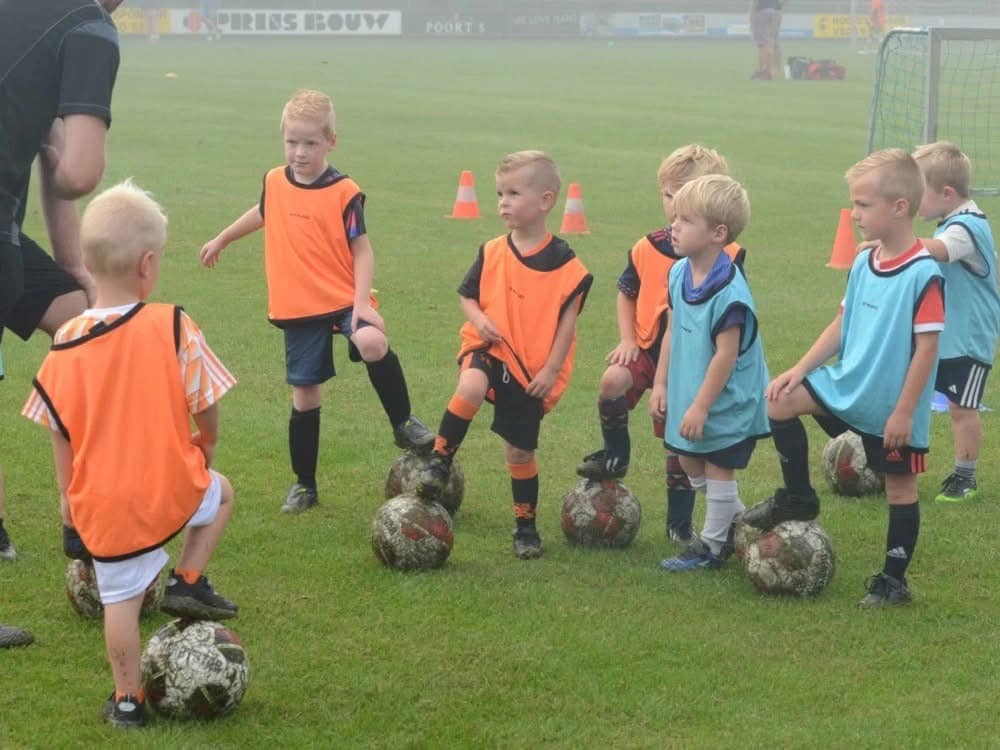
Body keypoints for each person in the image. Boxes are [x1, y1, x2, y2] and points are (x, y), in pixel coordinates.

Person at [23, 180, 239, 727]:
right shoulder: (172, 325)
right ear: (148, 264)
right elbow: (206, 403)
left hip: (107, 505)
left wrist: (67, 500)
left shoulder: (65, 342)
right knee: (223, 495)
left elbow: (59, 430)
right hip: (173, 487)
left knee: (119, 606)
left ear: (89, 267)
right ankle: (188, 580)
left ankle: (127, 700)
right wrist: (206, 444)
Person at [201, 89, 433, 513]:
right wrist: (222, 238)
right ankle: (304, 485)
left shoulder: (344, 192)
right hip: (298, 303)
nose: (300, 152)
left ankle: (403, 424)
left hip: (345, 297)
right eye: (292, 142)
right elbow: (263, 211)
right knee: (305, 394)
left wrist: (362, 304)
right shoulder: (275, 180)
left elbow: (361, 249)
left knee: (372, 343)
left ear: (331, 142)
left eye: (310, 143)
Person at [743, 149, 944, 608]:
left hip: (892, 405)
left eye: (863, 205)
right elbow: (842, 322)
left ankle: (893, 581)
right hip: (847, 385)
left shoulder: (924, 273)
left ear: (899, 208)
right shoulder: (863, 263)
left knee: (899, 487)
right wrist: (801, 368)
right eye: (854, 204)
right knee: (780, 400)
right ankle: (798, 498)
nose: (854, 214)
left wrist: (904, 413)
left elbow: (927, 350)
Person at [0, 0, 125, 646]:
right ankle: (88, 516)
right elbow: (77, 169)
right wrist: (52, 144)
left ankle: (85, 517)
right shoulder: (89, 28)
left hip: (8, 237)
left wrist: (74, 265)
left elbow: (54, 166)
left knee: (80, 319)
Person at [417, 151, 593, 559]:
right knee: (471, 384)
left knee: (519, 450)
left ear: (546, 201)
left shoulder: (568, 267)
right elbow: (467, 297)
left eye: (514, 193)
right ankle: (440, 462)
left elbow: (568, 327)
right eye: (499, 193)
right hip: (489, 347)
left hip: (531, 367)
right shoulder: (492, 250)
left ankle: (525, 526)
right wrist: (478, 321)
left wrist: (550, 370)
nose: (502, 203)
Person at [576, 145, 747, 545]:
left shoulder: (730, 256)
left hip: (694, 360)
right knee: (612, 381)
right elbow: (625, 292)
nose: (674, 206)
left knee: (677, 440)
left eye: (686, 196)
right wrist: (628, 339)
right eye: (669, 195)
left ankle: (680, 524)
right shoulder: (646, 246)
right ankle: (615, 454)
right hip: (651, 349)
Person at [648, 175, 768, 570]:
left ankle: (711, 549)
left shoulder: (730, 291)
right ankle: (740, 520)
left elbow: (725, 356)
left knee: (718, 463)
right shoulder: (678, 272)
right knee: (689, 461)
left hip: (726, 396)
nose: (673, 226)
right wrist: (661, 382)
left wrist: (701, 406)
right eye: (675, 217)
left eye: (686, 220)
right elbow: (670, 329)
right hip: (689, 389)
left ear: (718, 234)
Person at [911, 141, 998, 502]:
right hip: (949, 336)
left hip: (970, 338)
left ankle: (966, 477)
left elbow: (943, 250)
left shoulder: (965, 227)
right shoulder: (953, 220)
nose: (914, 202)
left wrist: (899, 242)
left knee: (963, 408)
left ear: (946, 193)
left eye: (919, 194)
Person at [750, 0, 783, 80]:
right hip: (775, 13)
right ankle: (775, 70)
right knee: (774, 43)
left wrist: (751, 18)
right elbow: (780, 5)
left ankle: (766, 71)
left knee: (763, 44)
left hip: (762, 13)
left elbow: (754, 3)